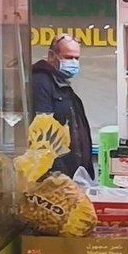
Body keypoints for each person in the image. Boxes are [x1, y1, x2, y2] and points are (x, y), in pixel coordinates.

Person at [31, 34, 94, 179]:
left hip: (73, 175)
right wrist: (58, 176)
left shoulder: (62, 86)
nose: (73, 63)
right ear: (52, 55)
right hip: (56, 177)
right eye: (68, 57)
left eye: (76, 58)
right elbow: (43, 136)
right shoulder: (41, 82)